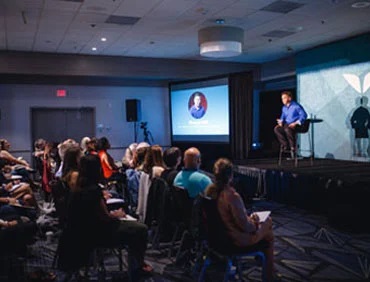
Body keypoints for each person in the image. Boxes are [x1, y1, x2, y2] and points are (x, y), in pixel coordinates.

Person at [57, 154, 152, 278]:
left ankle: (136, 266)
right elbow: (105, 217)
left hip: (81, 233)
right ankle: (137, 267)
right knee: (141, 229)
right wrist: (117, 214)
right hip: (98, 234)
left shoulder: (77, 188)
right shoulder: (93, 190)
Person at [205, 158, 275, 281]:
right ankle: (269, 275)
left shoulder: (210, 192)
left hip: (216, 240)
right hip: (234, 241)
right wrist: (255, 221)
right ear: (231, 176)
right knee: (268, 225)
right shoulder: (231, 196)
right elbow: (247, 227)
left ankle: (268, 270)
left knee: (266, 232)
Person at [274, 91, 307, 156]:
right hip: (287, 125)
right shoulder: (284, 108)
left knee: (287, 128)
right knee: (277, 129)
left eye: (284, 98)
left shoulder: (296, 106)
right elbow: (282, 117)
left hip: (296, 125)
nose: (283, 100)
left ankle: (293, 147)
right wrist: (280, 122)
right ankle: (285, 145)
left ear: (289, 98)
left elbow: (304, 115)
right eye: (282, 98)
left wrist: (296, 123)